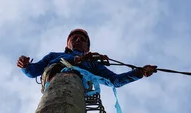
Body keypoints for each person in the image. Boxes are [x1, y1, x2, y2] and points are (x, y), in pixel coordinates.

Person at [17, 28, 157, 90]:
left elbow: (115, 81)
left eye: (82, 39)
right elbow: (33, 71)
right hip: (55, 84)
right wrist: (25, 66)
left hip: (77, 88)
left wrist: (139, 73)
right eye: (74, 38)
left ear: (87, 47)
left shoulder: (92, 64)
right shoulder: (54, 56)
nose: (78, 40)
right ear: (68, 44)